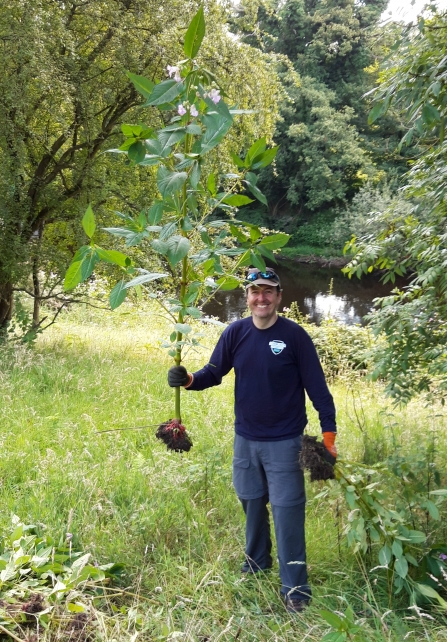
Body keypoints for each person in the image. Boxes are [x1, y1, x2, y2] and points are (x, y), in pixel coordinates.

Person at [167, 267, 337, 613]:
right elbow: (214, 372)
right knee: (251, 502)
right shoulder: (235, 333)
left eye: (268, 292)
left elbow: (319, 391)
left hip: (286, 443)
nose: (261, 298)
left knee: (288, 514)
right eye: (255, 292)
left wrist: (329, 437)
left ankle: (295, 591)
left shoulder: (295, 337)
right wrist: (187, 380)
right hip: (245, 439)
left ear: (278, 297)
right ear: (247, 297)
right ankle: (257, 563)